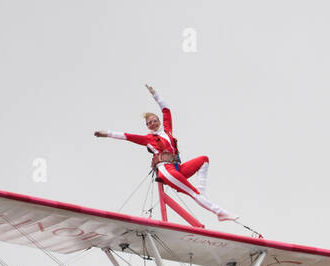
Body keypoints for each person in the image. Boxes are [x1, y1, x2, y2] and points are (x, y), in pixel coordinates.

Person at [94, 84, 237, 222]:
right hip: (166, 170)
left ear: (159, 122)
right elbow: (126, 136)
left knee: (204, 159)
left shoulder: (167, 131)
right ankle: (219, 212)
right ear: (147, 126)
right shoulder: (148, 139)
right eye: (150, 122)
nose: (153, 123)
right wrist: (106, 134)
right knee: (194, 194)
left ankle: (202, 195)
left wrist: (154, 94)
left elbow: (166, 110)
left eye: (155, 120)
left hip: (177, 167)